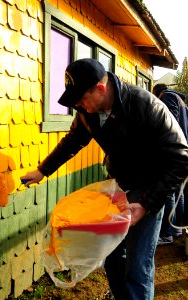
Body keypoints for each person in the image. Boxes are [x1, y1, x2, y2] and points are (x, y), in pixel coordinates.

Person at [21, 59, 188, 300]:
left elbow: (181, 157)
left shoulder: (144, 104)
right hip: (118, 186)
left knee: (138, 265)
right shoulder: (87, 112)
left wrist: (147, 205)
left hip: (148, 190)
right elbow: (73, 140)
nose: (77, 104)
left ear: (100, 89)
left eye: (81, 98)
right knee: (112, 255)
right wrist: (42, 171)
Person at [153, 83, 188, 245]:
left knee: (169, 193)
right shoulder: (182, 102)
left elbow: (168, 122)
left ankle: (167, 233)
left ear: (158, 94)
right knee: (178, 191)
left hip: (172, 151)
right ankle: (177, 229)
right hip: (183, 151)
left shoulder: (167, 96)